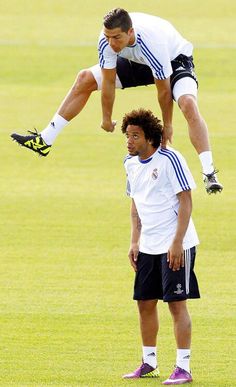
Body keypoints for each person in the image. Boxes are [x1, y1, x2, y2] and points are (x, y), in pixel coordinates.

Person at [11, 8, 223, 194]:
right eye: (108, 37)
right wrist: (106, 118)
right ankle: (45, 140)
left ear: (130, 32)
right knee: (85, 78)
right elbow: (109, 81)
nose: (111, 44)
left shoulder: (152, 42)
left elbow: (164, 91)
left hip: (174, 60)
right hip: (136, 60)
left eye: (117, 38)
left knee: (187, 104)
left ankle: (209, 172)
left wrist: (167, 126)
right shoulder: (108, 41)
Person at [121, 108, 200, 385]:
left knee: (176, 305)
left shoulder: (170, 159)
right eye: (127, 136)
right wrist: (135, 240)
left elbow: (187, 201)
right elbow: (135, 203)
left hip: (176, 244)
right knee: (144, 303)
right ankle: (149, 362)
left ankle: (183, 367)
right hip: (148, 246)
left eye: (135, 136)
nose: (129, 141)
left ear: (150, 137)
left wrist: (177, 242)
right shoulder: (130, 163)